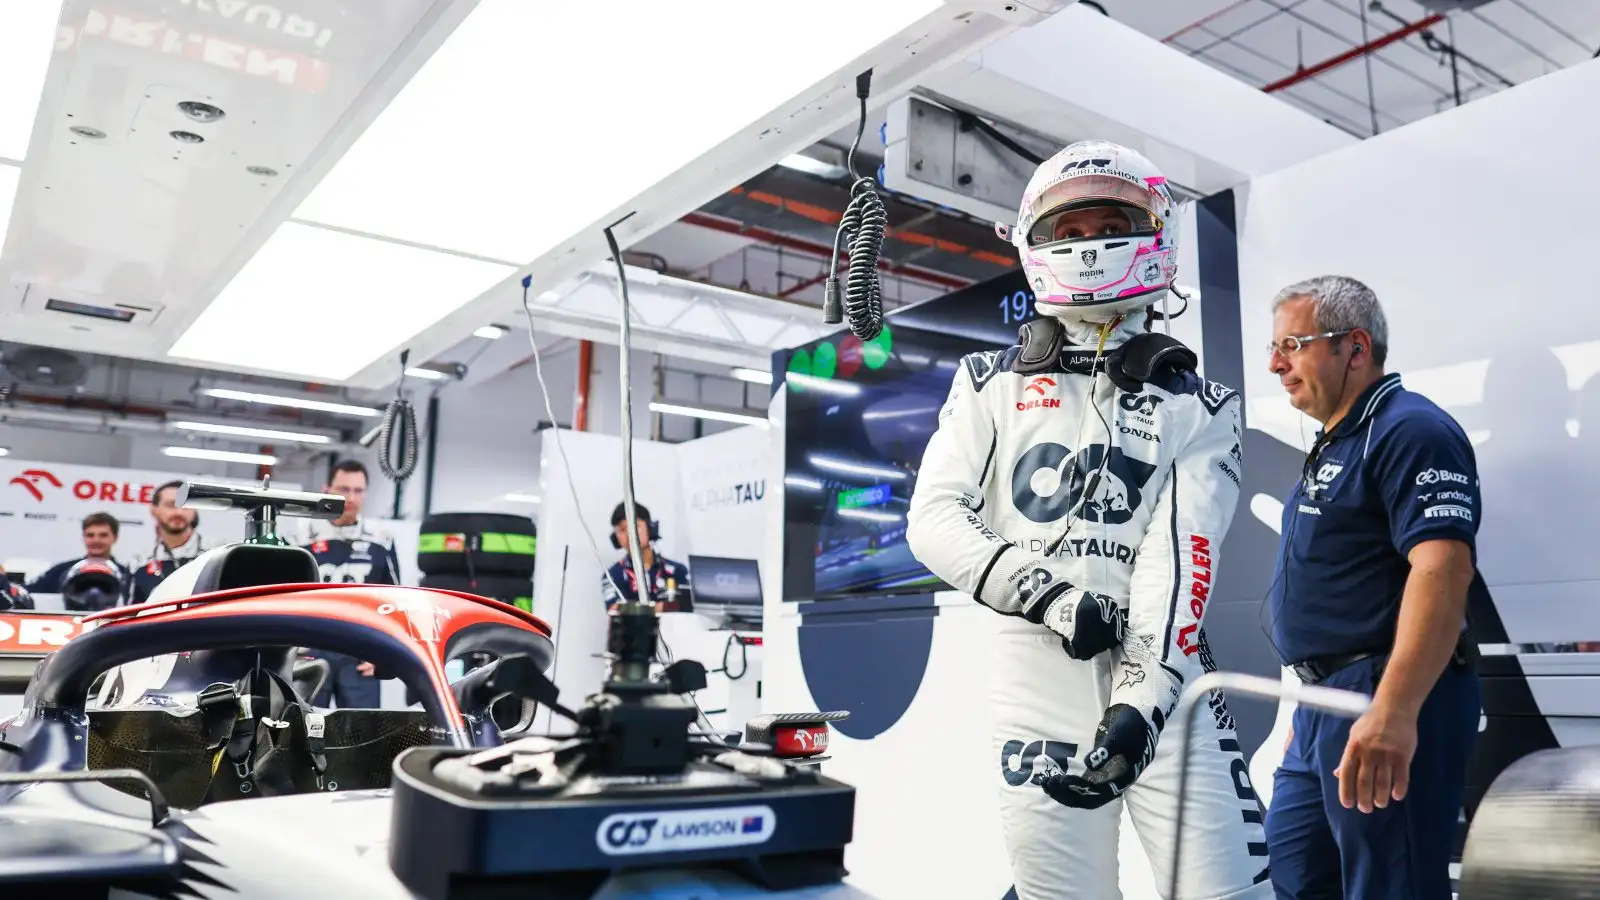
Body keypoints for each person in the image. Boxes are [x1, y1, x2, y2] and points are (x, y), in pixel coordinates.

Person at [907, 139, 1271, 899]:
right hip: (1032, 675)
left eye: (1110, 223)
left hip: (1169, 678)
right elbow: (934, 519)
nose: (1089, 245)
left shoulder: (1200, 406)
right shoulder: (986, 383)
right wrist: (1052, 596)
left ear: (1155, 232)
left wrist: (1142, 699)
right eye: (1066, 233)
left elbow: (1182, 560)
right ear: (1033, 245)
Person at [1261, 275, 1483, 900]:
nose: (1277, 364)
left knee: (1390, 887)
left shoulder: (1409, 429)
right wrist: (1314, 696)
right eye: (1275, 348)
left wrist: (1392, 712)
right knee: (1295, 876)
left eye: (1293, 345)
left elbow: (1443, 570)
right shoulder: (1341, 436)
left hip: (1382, 696)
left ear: (1354, 347)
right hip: (1327, 706)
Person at [297, 459, 401, 708]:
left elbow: (394, 601)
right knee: (301, 728)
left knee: (362, 735)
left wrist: (384, 654)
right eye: (344, 489)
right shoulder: (302, 535)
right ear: (327, 490)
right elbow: (287, 596)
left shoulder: (381, 539)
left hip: (360, 650)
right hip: (311, 648)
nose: (351, 497)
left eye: (358, 490)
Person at [601, 502, 691, 612]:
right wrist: (663, 607)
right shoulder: (613, 575)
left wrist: (637, 609)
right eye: (623, 529)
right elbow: (615, 609)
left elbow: (688, 605)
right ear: (616, 538)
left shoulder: (677, 570)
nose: (630, 534)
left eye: (635, 526)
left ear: (650, 528)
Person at [128, 480, 207, 605]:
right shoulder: (139, 562)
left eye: (185, 506)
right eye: (171, 505)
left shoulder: (216, 554)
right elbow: (126, 614)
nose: (179, 512)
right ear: (153, 510)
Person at [26, 512, 131, 600]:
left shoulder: (127, 576)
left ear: (115, 538)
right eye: (90, 535)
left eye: (103, 535)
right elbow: (26, 593)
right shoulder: (62, 571)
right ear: (83, 537)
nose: (96, 540)